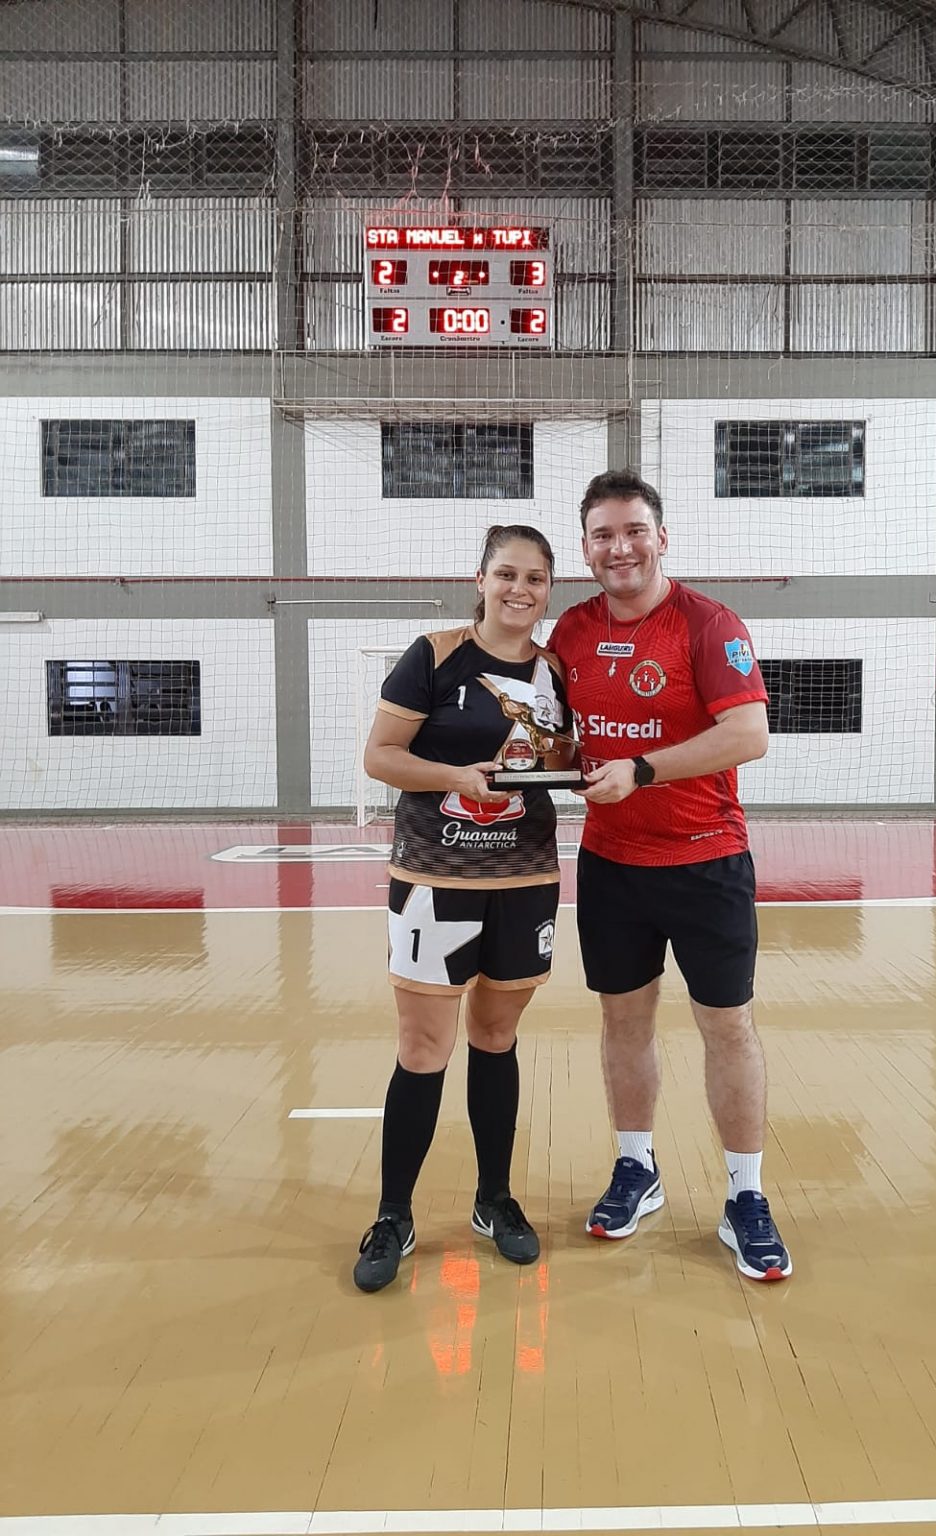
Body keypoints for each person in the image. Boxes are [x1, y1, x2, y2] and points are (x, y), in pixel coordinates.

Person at [548, 470, 792, 1282]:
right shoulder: (572, 631)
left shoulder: (708, 625)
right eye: (603, 535)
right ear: (586, 548)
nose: (619, 547)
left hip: (706, 861)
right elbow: (554, 729)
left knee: (727, 1026)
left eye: (634, 531)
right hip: (611, 864)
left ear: (661, 538)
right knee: (624, 1022)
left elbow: (749, 733)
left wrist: (641, 769)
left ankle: (746, 1196)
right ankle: (636, 1167)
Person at [353, 524, 571, 1294]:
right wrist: (455, 774)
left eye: (536, 578)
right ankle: (393, 1214)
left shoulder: (556, 672)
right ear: (480, 580)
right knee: (423, 1046)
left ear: (549, 589)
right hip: (434, 881)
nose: (520, 589)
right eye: (507, 573)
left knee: (497, 1036)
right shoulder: (435, 655)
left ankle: (494, 1200)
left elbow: (561, 760)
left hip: (523, 879)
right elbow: (380, 757)